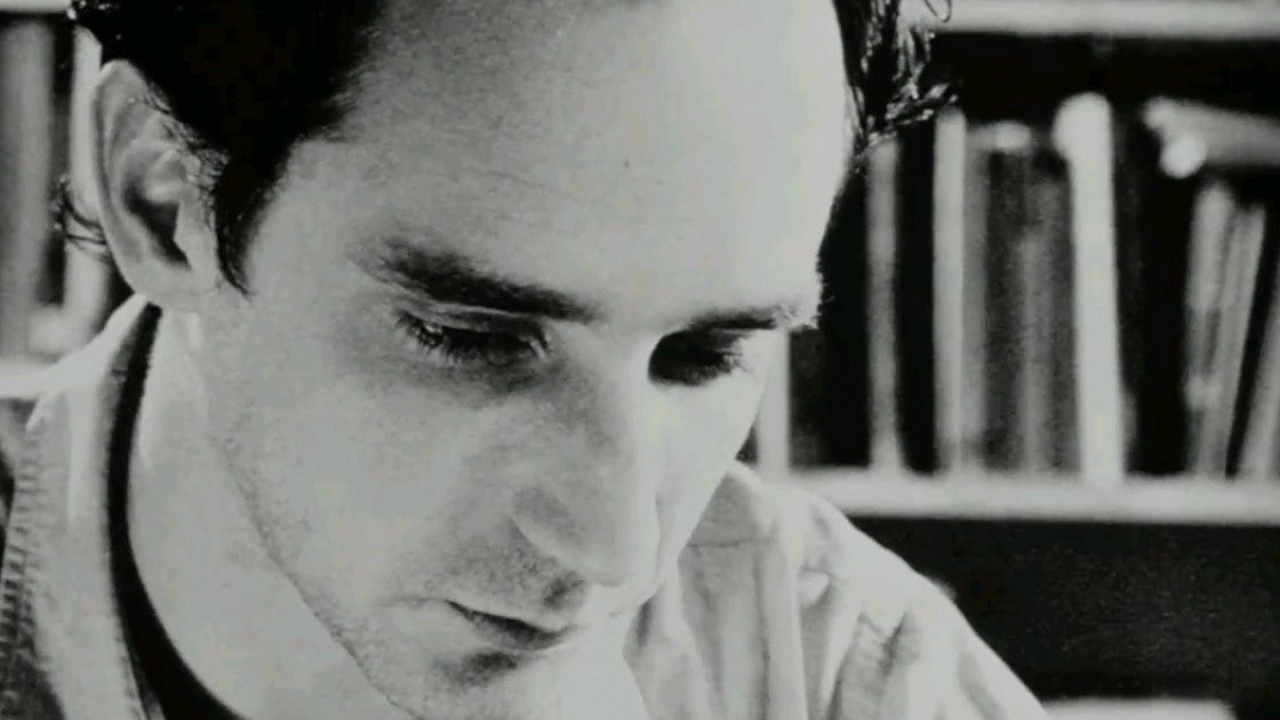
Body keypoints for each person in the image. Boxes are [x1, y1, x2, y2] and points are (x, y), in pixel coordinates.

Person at [0, 0, 1050, 718]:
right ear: (162, 197)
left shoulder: (855, 681)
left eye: (705, 351)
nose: (616, 549)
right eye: (472, 338)